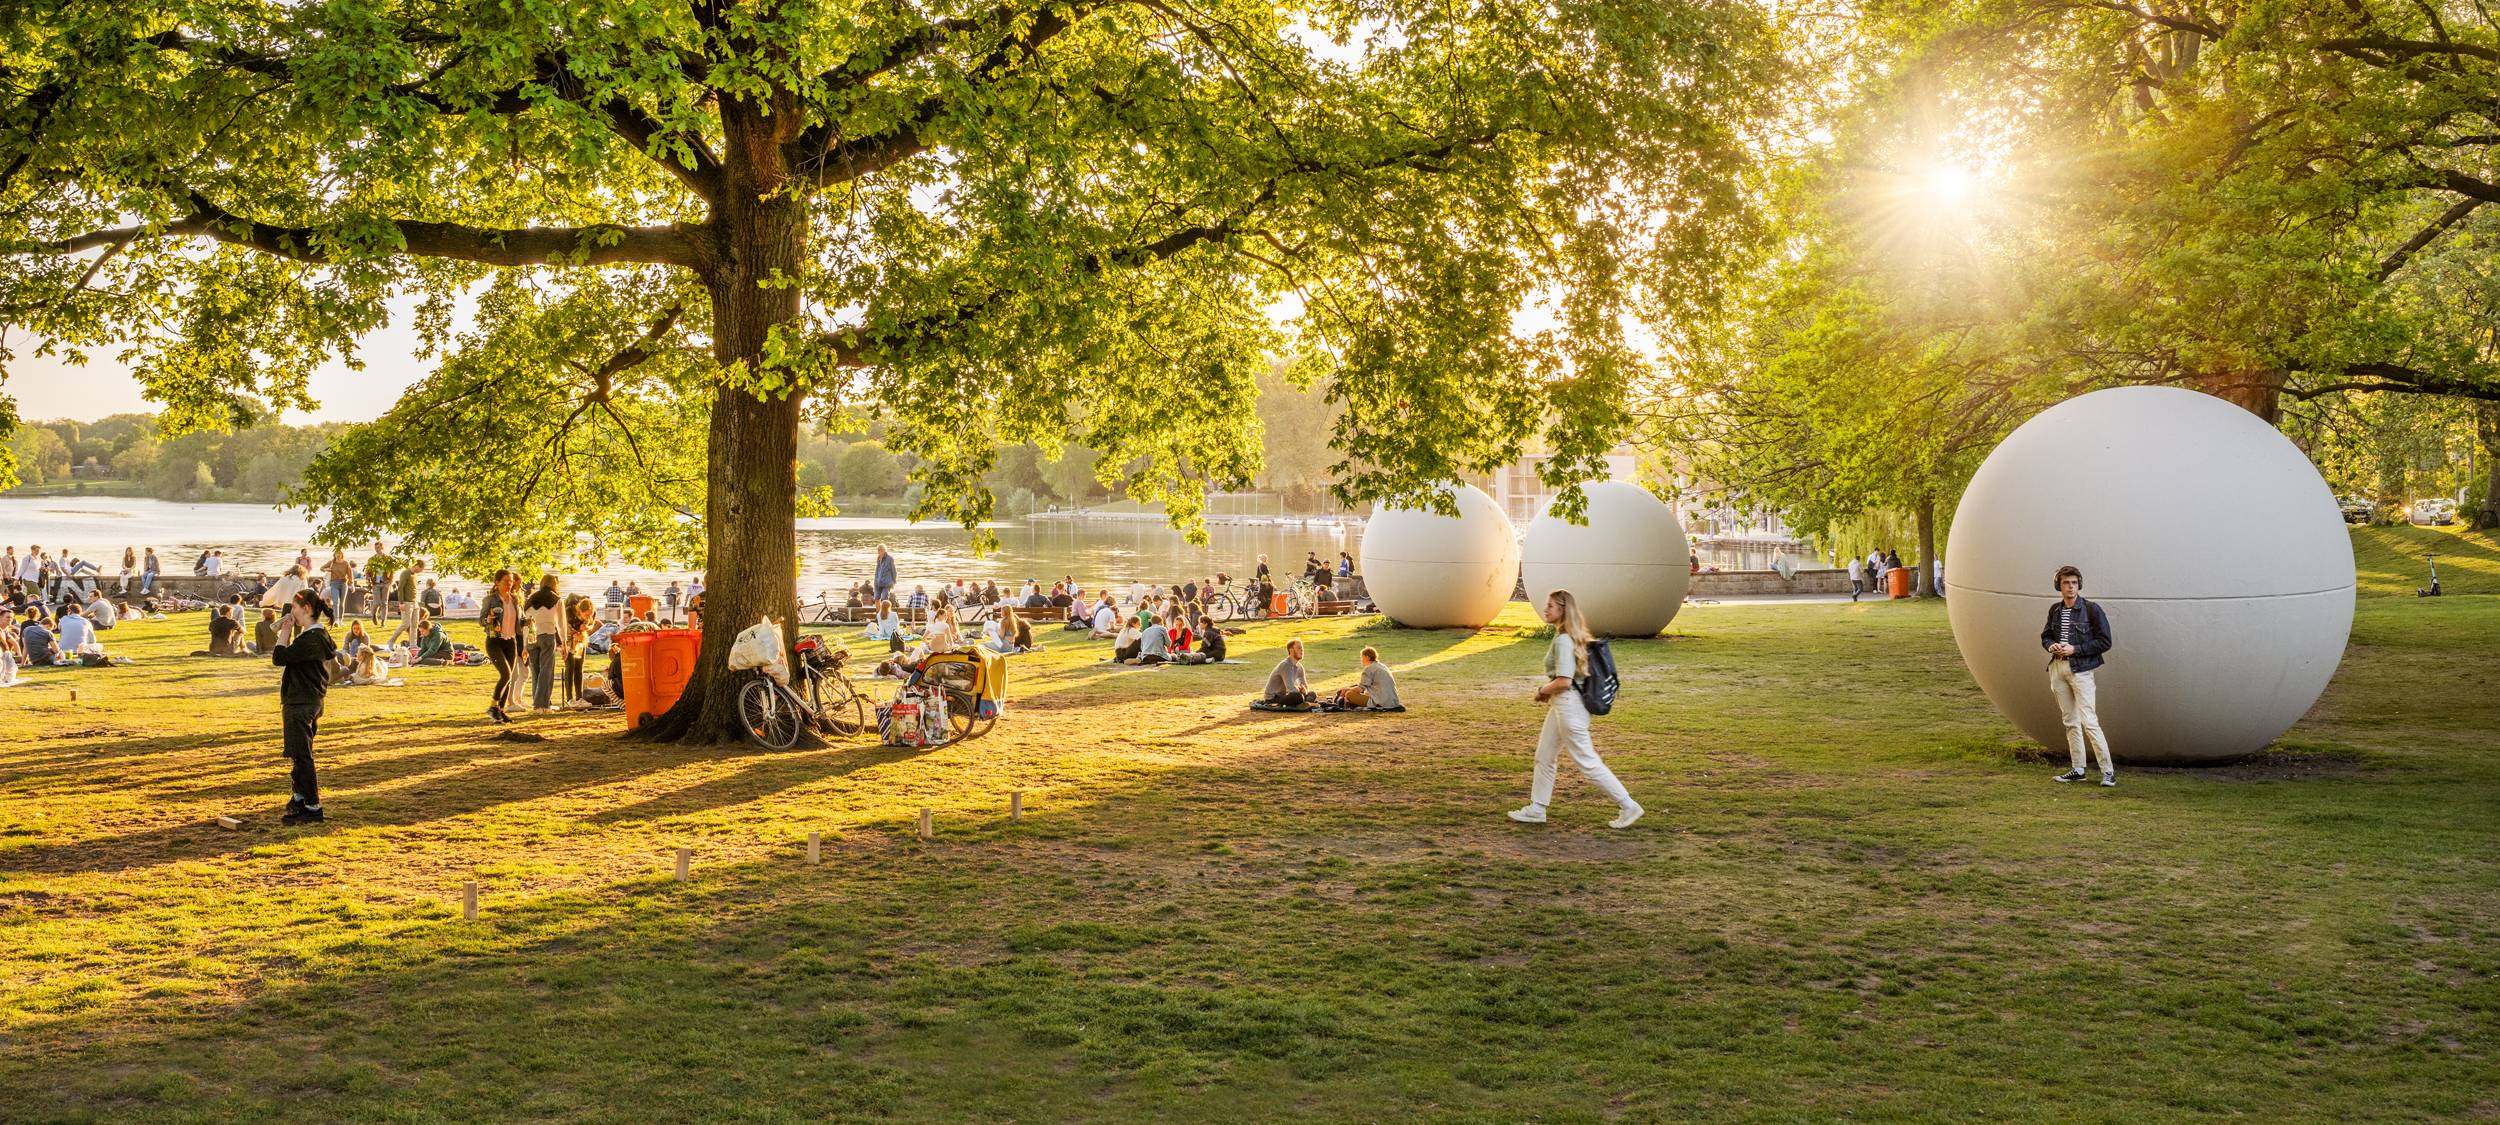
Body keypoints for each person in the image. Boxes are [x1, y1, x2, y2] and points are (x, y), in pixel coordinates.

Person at [1509, 589, 1643, 829]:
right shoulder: (1570, 636)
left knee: (1587, 762)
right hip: (1563, 705)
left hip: (1568, 705)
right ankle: (1537, 809)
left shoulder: (1563, 640)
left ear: (1562, 610)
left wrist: (1542, 690)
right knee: (1544, 755)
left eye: (1550, 606)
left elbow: (1564, 680)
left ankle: (1628, 805)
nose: (1545, 609)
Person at [268, 589, 338, 825]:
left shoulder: (311, 639)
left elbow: (279, 657)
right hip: (310, 701)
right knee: (299, 754)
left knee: (302, 755)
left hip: (300, 703)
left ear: (306, 608)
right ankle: (299, 798)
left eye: (295, 608)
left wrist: (285, 632)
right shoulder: (318, 636)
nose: (292, 613)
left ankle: (312, 806)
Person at [2043, 565, 2117, 787]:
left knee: (2089, 721)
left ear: (2079, 584)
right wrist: (2051, 645)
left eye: (2074, 583)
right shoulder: (2055, 610)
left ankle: (2108, 771)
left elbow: (2105, 642)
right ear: (2059, 586)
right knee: (2070, 721)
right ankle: (2078, 769)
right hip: (2058, 668)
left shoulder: (2092, 610)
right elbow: (2046, 635)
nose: (2070, 587)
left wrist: (2075, 649)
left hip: (2081, 670)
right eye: (2066, 583)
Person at [480, 569, 526, 723]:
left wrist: (528, 622)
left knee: (509, 677)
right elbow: (481, 621)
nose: (509, 584)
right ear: (497, 582)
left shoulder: (515, 600)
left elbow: (520, 621)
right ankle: (493, 706)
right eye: (506, 581)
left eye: (511, 581)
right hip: (494, 641)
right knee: (505, 674)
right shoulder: (490, 600)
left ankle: (500, 710)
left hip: (510, 641)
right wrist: (488, 619)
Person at [523, 575, 564, 713]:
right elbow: (561, 623)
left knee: (536, 671)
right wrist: (564, 642)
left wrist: (524, 644)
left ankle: (539, 703)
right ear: (555, 584)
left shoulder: (530, 599)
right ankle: (542, 705)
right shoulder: (557, 599)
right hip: (547, 634)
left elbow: (525, 622)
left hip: (531, 635)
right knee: (547, 670)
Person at [564, 595, 598, 705]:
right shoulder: (570, 613)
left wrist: (586, 627)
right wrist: (576, 632)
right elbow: (564, 627)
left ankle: (579, 697)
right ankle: (569, 698)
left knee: (579, 667)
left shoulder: (592, 614)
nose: (589, 617)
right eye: (587, 615)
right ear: (580, 612)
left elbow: (591, 625)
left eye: (591, 614)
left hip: (580, 640)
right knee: (570, 667)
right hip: (568, 640)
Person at [1263, 637, 1315, 706]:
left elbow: (1304, 686)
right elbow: (1290, 688)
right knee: (1298, 696)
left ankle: (1303, 703)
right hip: (1273, 698)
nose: (1302, 650)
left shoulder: (1300, 667)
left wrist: (1305, 691)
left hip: (1285, 695)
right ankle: (1303, 702)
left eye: (1302, 648)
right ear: (1291, 650)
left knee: (1312, 694)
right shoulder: (1286, 665)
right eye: (1299, 648)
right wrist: (1301, 692)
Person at [364, 540, 398, 623]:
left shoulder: (387, 559)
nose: (377, 549)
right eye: (375, 548)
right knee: (376, 603)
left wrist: (390, 583)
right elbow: (367, 571)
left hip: (385, 583)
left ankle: (383, 621)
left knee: (384, 603)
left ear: (382, 548)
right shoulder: (372, 559)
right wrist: (368, 579)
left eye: (378, 547)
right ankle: (374, 615)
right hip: (376, 583)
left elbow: (392, 572)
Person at [321, 548, 356, 624]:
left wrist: (352, 584)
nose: (338, 555)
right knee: (336, 601)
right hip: (334, 583)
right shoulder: (331, 562)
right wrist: (327, 570)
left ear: (342, 554)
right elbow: (321, 568)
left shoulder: (346, 563)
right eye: (336, 553)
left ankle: (340, 620)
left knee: (342, 603)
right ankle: (336, 620)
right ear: (334, 554)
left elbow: (350, 574)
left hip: (343, 583)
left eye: (339, 553)